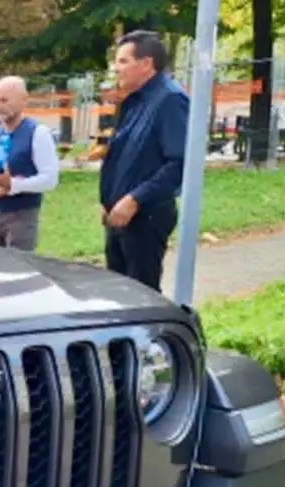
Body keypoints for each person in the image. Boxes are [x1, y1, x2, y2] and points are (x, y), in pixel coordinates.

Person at [99, 30, 190, 291]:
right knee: (117, 293)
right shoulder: (134, 101)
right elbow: (125, 155)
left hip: (145, 215)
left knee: (141, 295)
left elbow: (178, 164)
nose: (116, 69)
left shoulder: (170, 100)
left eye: (123, 61)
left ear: (146, 63)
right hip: (119, 216)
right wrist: (109, 198)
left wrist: (134, 200)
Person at [0, 76, 60, 252]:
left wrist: (13, 185)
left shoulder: (37, 134)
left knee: (19, 268)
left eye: (5, 100)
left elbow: (50, 179)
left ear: (23, 101)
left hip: (22, 216)